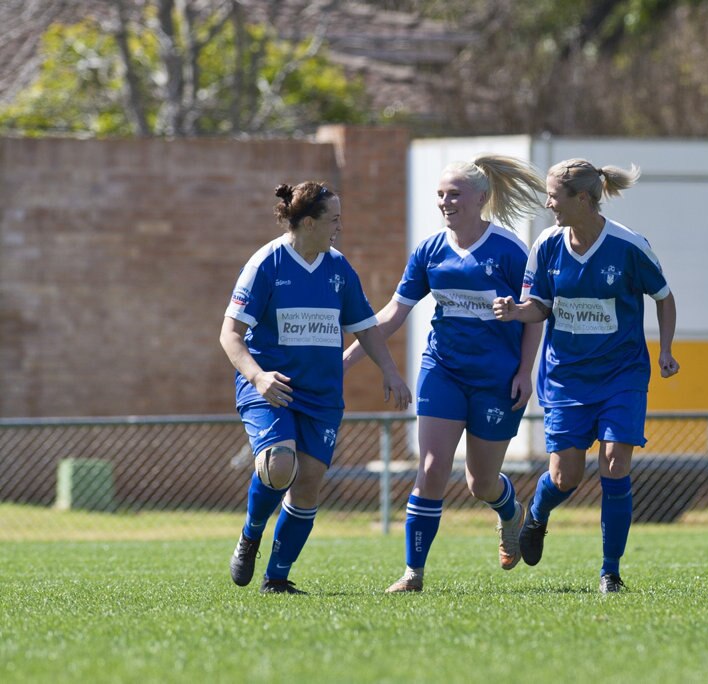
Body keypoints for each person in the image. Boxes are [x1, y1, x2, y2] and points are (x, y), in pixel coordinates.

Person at [344, 155, 545, 593]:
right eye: (440, 194)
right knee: (432, 468)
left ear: (480, 198)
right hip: (443, 371)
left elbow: (534, 316)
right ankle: (413, 573)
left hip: (496, 379)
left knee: (480, 482)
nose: (445, 202)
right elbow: (393, 315)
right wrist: (343, 361)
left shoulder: (509, 250)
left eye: (454, 194)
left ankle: (509, 511)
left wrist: (525, 372)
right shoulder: (430, 252)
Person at [493, 158, 679, 594]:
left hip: (622, 374)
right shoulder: (547, 245)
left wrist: (667, 349)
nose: (547, 203)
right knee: (566, 477)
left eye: (554, 196)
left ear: (581, 199)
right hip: (566, 377)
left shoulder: (629, 245)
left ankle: (609, 571)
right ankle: (536, 515)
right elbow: (538, 303)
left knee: (615, 464)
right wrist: (518, 311)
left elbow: (665, 298)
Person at [221, 181, 411, 595]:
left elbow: (366, 328)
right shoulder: (266, 264)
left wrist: (391, 372)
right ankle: (251, 534)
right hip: (273, 386)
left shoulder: (338, 268)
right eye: (334, 220)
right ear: (308, 223)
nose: (339, 227)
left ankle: (276, 577)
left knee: (307, 483)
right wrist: (258, 377)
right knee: (278, 465)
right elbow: (229, 335)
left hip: (322, 394)